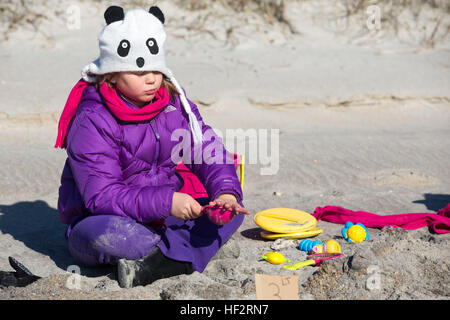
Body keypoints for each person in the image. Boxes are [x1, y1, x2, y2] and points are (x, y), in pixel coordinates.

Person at [55, 5, 250, 288]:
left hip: (164, 216)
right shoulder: (93, 119)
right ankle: (191, 252)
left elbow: (207, 150)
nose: (150, 79)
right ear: (111, 74)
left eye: (155, 70)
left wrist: (226, 193)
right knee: (113, 235)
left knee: (231, 212)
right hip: (106, 218)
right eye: (138, 71)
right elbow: (102, 196)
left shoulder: (172, 103)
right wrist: (168, 202)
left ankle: (163, 260)